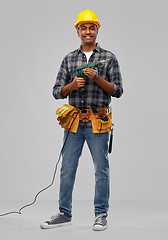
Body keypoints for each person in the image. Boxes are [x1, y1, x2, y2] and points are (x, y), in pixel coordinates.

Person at [40, 9, 123, 231]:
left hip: (98, 121)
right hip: (74, 122)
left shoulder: (109, 58)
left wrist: (98, 78)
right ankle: (64, 213)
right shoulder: (69, 59)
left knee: (101, 169)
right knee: (67, 168)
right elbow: (57, 92)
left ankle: (101, 214)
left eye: (91, 27)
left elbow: (118, 90)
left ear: (97, 30)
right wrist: (71, 86)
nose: (88, 31)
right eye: (83, 28)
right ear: (78, 31)